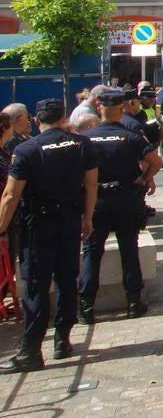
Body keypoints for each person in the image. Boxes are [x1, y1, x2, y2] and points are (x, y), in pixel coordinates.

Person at [0, 98, 98, 372]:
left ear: (35, 119)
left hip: (38, 224)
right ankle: (62, 340)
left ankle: (31, 349)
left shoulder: (26, 149)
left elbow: (10, 195)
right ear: (63, 117)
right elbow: (91, 185)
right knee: (67, 278)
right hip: (69, 220)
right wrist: (87, 218)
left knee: (35, 284)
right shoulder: (82, 144)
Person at [78, 88, 163, 323]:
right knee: (129, 249)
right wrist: (144, 179)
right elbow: (157, 161)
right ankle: (134, 302)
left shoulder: (87, 138)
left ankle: (86, 307)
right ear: (122, 108)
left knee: (91, 254)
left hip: (97, 201)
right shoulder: (131, 136)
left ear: (99, 108)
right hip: (125, 198)